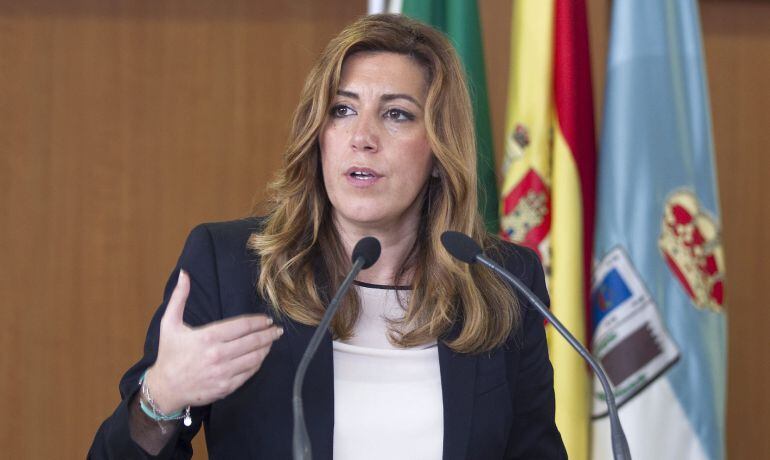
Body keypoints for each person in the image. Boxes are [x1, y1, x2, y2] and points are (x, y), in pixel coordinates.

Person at [89, 13, 566, 460]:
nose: (363, 136)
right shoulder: (232, 267)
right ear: (318, 135)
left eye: (396, 114)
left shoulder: (502, 281)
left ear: (440, 151)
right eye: (342, 110)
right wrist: (162, 397)